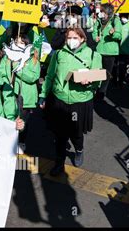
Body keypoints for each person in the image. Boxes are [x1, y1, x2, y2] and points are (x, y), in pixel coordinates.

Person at [39, 27, 102, 176]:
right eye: (69, 37)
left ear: (82, 39)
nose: (71, 40)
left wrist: (90, 82)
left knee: (76, 133)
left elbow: (98, 79)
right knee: (60, 135)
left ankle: (79, 150)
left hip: (80, 101)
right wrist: (43, 95)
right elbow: (49, 76)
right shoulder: (59, 54)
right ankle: (59, 163)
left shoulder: (93, 55)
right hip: (59, 99)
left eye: (75, 37)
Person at [0, 34, 41, 149]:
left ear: (27, 45)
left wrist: (18, 68)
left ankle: (21, 141)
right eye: (16, 41)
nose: (18, 44)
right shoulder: (7, 57)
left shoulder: (33, 59)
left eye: (22, 42)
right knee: (9, 118)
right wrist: (5, 83)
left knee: (22, 121)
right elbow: (1, 72)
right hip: (9, 94)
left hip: (25, 97)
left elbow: (33, 77)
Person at [92, 3, 122, 99]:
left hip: (110, 52)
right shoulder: (99, 20)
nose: (100, 13)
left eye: (102, 11)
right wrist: (95, 37)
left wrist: (113, 34)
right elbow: (95, 30)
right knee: (97, 71)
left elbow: (119, 35)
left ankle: (102, 92)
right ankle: (95, 89)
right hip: (99, 49)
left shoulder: (115, 20)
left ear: (108, 12)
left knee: (106, 73)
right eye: (100, 11)